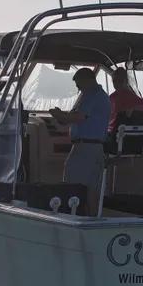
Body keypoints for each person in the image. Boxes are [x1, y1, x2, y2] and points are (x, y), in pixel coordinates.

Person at [49, 67, 111, 216]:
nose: (78, 88)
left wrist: (59, 115)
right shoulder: (100, 95)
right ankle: (93, 220)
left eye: (79, 84)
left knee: (71, 188)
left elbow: (79, 117)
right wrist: (63, 117)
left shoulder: (92, 95)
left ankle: (71, 219)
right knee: (91, 191)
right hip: (96, 149)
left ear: (89, 80)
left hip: (85, 148)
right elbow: (77, 116)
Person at [108, 67, 143, 134]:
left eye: (118, 81)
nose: (115, 84)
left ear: (125, 81)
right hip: (117, 134)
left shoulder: (131, 97)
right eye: (114, 81)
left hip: (113, 133)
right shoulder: (112, 97)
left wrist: (133, 108)